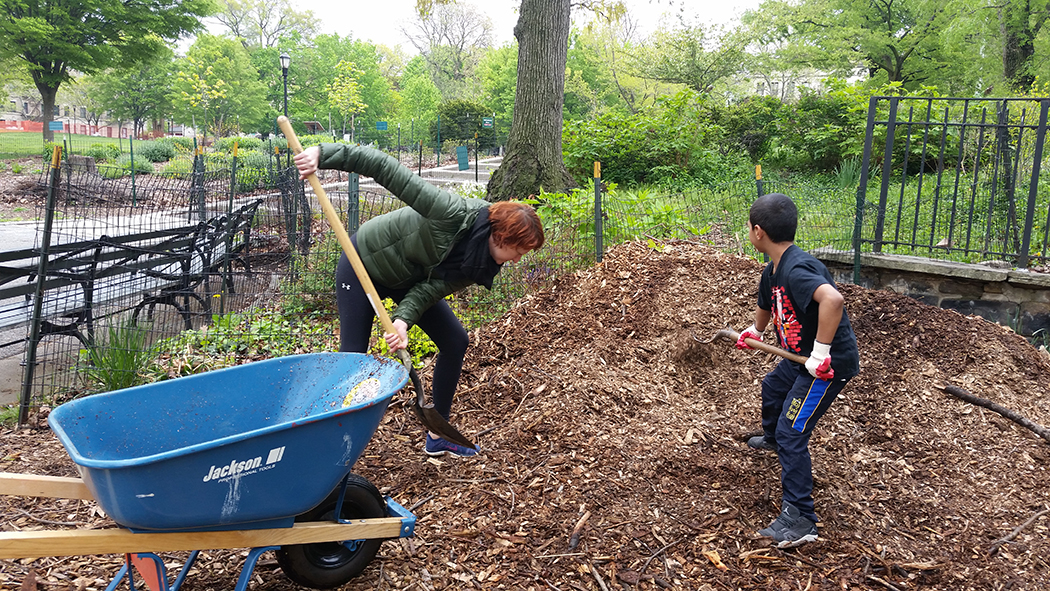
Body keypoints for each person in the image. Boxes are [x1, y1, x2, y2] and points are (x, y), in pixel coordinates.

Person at [293, 143, 544, 458]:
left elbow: (428, 290)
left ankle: (439, 434)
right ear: (501, 237)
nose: (518, 260)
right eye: (518, 251)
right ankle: (329, 444)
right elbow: (384, 167)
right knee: (353, 357)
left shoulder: (480, 263)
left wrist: (402, 321)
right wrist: (323, 155)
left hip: (406, 278)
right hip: (363, 263)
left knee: (455, 340)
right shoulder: (449, 211)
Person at [735, 192, 859, 548]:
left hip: (825, 367)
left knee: (794, 431)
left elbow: (833, 300)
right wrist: (755, 332)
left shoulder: (797, 269)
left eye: (748, 227)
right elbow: (766, 302)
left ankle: (801, 518)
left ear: (758, 232)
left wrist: (820, 353)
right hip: (798, 360)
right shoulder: (774, 268)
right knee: (773, 388)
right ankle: (774, 441)